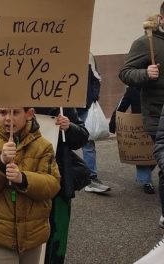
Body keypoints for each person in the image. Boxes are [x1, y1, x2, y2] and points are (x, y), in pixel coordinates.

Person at [0, 107, 60, 264]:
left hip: (32, 232)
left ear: (29, 114)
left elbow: (53, 184)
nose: (8, 118)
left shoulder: (43, 146)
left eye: (15, 113)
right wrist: (1, 161)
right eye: (3, 113)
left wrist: (23, 179)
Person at [119, 2, 164, 228]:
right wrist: (145, 73)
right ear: (162, 20)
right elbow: (125, 73)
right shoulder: (145, 43)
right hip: (159, 117)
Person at [34, 108, 89, 264]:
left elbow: (82, 137)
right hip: (23, 180)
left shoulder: (61, 103)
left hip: (58, 181)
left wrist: (69, 126)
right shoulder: (11, 97)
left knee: (56, 234)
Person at [109, 86, 155, 194]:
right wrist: (113, 123)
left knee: (156, 153)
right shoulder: (133, 88)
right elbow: (121, 106)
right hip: (139, 127)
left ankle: (147, 177)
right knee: (142, 154)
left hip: (156, 123)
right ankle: (146, 181)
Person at [77, 53, 111, 193]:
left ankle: (91, 178)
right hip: (62, 106)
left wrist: (93, 97)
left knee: (88, 141)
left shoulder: (87, 54)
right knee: (58, 142)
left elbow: (96, 77)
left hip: (85, 105)